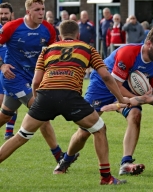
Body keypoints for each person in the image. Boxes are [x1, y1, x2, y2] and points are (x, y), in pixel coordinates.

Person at [0, 20, 130, 185]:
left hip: (45, 96)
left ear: (60, 36)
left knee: (21, 136)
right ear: (78, 35)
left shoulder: (47, 49)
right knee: (99, 129)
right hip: (70, 96)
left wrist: (38, 101)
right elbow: (105, 76)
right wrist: (121, 99)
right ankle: (106, 178)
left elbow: (36, 81)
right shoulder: (87, 48)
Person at [65, 28, 153, 176]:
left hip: (124, 88)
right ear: (148, 44)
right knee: (85, 131)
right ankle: (66, 160)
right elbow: (115, 85)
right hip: (102, 85)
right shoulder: (128, 52)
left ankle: (126, 163)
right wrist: (134, 99)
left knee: (135, 114)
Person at [0, 0, 63, 163]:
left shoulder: (48, 29)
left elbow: (53, 53)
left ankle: (59, 156)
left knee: (5, 115)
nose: (41, 13)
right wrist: (2, 66)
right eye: (37, 10)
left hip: (33, 78)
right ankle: (59, 156)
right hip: (13, 77)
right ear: (28, 12)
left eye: (42, 9)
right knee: (40, 111)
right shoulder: (12, 27)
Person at [0, 2, 18, 140]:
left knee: (14, 98)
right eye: (1, 14)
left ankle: (9, 132)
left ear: (11, 14)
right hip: (1, 69)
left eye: (6, 13)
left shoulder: (17, 29)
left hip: (13, 70)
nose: (3, 16)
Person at [78, 10, 96, 79]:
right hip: (80, 45)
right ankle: (82, 73)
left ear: (87, 16)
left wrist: (92, 41)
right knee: (80, 59)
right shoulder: (78, 23)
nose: (84, 16)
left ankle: (88, 73)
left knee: (88, 59)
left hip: (89, 44)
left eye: (85, 15)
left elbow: (94, 34)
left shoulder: (91, 23)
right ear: (81, 16)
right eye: (83, 15)